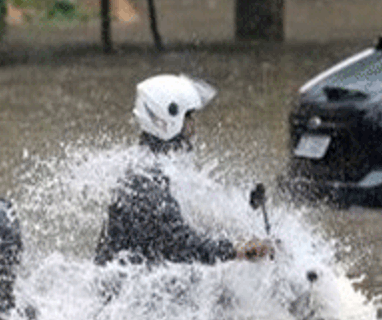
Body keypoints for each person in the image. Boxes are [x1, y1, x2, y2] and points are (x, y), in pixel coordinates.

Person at [95, 73, 274, 266]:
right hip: (126, 284)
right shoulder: (146, 182)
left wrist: (243, 225)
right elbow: (181, 245)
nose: (193, 128)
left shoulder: (153, 169)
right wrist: (237, 250)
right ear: (167, 119)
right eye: (188, 117)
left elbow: (192, 223)